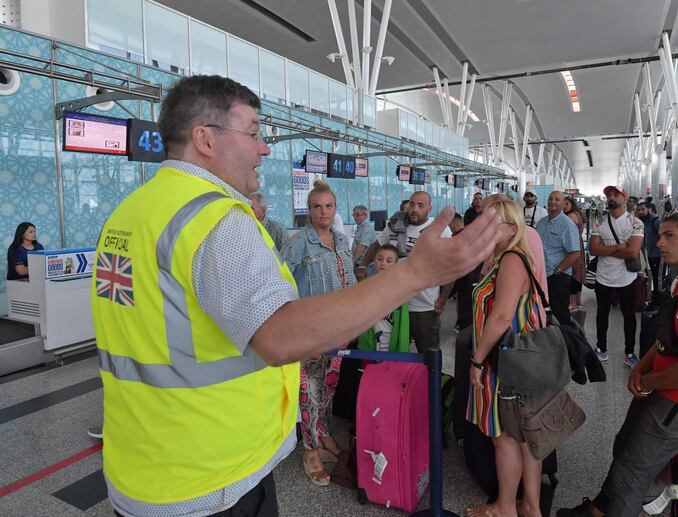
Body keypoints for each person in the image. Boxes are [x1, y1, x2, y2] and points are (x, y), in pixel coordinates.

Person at [91, 74, 502, 517]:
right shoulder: (214, 219)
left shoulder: (133, 211)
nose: (264, 148)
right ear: (205, 139)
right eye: (253, 133)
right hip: (208, 475)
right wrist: (414, 273)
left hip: (142, 465)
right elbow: (279, 336)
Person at [557, 210, 678, 517]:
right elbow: (670, 337)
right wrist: (642, 367)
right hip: (666, 386)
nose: (658, 243)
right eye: (660, 235)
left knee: (631, 471)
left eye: (669, 236)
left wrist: (647, 381)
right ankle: (598, 510)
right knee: (625, 450)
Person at [466, 198, 547, 517]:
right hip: (518, 360)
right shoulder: (508, 256)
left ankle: (504, 507)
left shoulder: (511, 259)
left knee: (505, 436)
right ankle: (530, 505)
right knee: (525, 436)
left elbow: (500, 318)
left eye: (490, 224)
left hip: (503, 361)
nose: (482, 229)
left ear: (512, 229)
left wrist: (476, 359)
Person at [284, 180, 356, 486]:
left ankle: (323, 434)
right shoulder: (299, 242)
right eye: (317, 207)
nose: (323, 212)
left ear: (335, 209)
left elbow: (350, 283)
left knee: (328, 388)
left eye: (328, 206)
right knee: (309, 393)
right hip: (309, 333)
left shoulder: (341, 241)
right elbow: (282, 283)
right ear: (308, 210)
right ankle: (310, 450)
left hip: (337, 331)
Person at [363, 190, 454, 353]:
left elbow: (450, 268)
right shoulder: (395, 225)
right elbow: (376, 246)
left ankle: (430, 379)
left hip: (424, 306)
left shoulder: (440, 230)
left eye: (421, 205)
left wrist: (442, 299)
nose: (415, 209)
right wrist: (362, 266)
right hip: (394, 304)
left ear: (429, 208)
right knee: (396, 351)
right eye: (412, 204)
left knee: (428, 354)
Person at [590, 186, 644, 367]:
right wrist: (620, 247)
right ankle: (601, 349)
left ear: (624, 198)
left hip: (626, 277)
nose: (611, 197)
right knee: (601, 314)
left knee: (629, 316)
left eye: (615, 194)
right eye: (608, 195)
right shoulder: (599, 222)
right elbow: (593, 249)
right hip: (603, 277)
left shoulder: (636, 223)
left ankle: (629, 352)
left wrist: (605, 249)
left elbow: (632, 252)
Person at [534, 191, 581, 326]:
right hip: (541, 276)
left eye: (557, 199)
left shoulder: (567, 224)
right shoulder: (541, 223)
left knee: (560, 314)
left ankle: (566, 343)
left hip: (558, 278)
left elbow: (575, 252)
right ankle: (548, 343)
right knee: (542, 312)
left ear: (563, 203)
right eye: (550, 199)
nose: (552, 202)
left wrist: (559, 270)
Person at [356, 244, 409, 353]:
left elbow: (403, 323)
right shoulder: (366, 286)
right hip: (370, 340)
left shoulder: (401, 289)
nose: (383, 263)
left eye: (389, 261)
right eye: (380, 259)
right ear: (374, 260)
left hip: (391, 341)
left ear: (395, 264)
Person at [636, 201, 664, 302]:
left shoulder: (655, 221)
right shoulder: (645, 222)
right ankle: (655, 298)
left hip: (658, 254)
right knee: (654, 277)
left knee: (657, 278)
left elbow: (664, 236)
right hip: (651, 254)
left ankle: (658, 300)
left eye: (643, 209)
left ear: (649, 209)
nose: (640, 212)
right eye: (639, 210)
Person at [564, 197, 586, 308]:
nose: (564, 206)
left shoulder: (570, 216)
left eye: (566, 204)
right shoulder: (578, 214)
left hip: (572, 246)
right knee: (579, 272)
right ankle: (578, 299)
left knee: (573, 274)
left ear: (572, 204)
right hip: (579, 245)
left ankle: (572, 302)